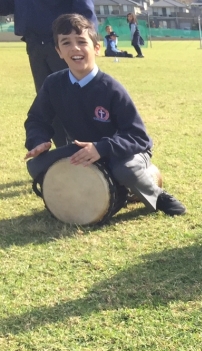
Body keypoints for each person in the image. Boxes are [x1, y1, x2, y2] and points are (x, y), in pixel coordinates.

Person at [24, 14, 186, 217]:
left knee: (123, 170)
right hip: (83, 149)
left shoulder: (111, 88)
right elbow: (37, 119)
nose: (75, 48)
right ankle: (85, 193)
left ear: (97, 48)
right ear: (58, 51)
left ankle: (157, 195)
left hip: (122, 152)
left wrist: (102, 148)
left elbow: (139, 137)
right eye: (66, 43)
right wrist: (38, 141)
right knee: (36, 165)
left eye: (82, 42)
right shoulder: (53, 84)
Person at [0, 0, 97, 147]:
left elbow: (84, 9)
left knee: (76, 98)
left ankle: (88, 151)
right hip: (35, 44)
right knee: (48, 101)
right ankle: (64, 153)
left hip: (63, 42)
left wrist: (84, 41)